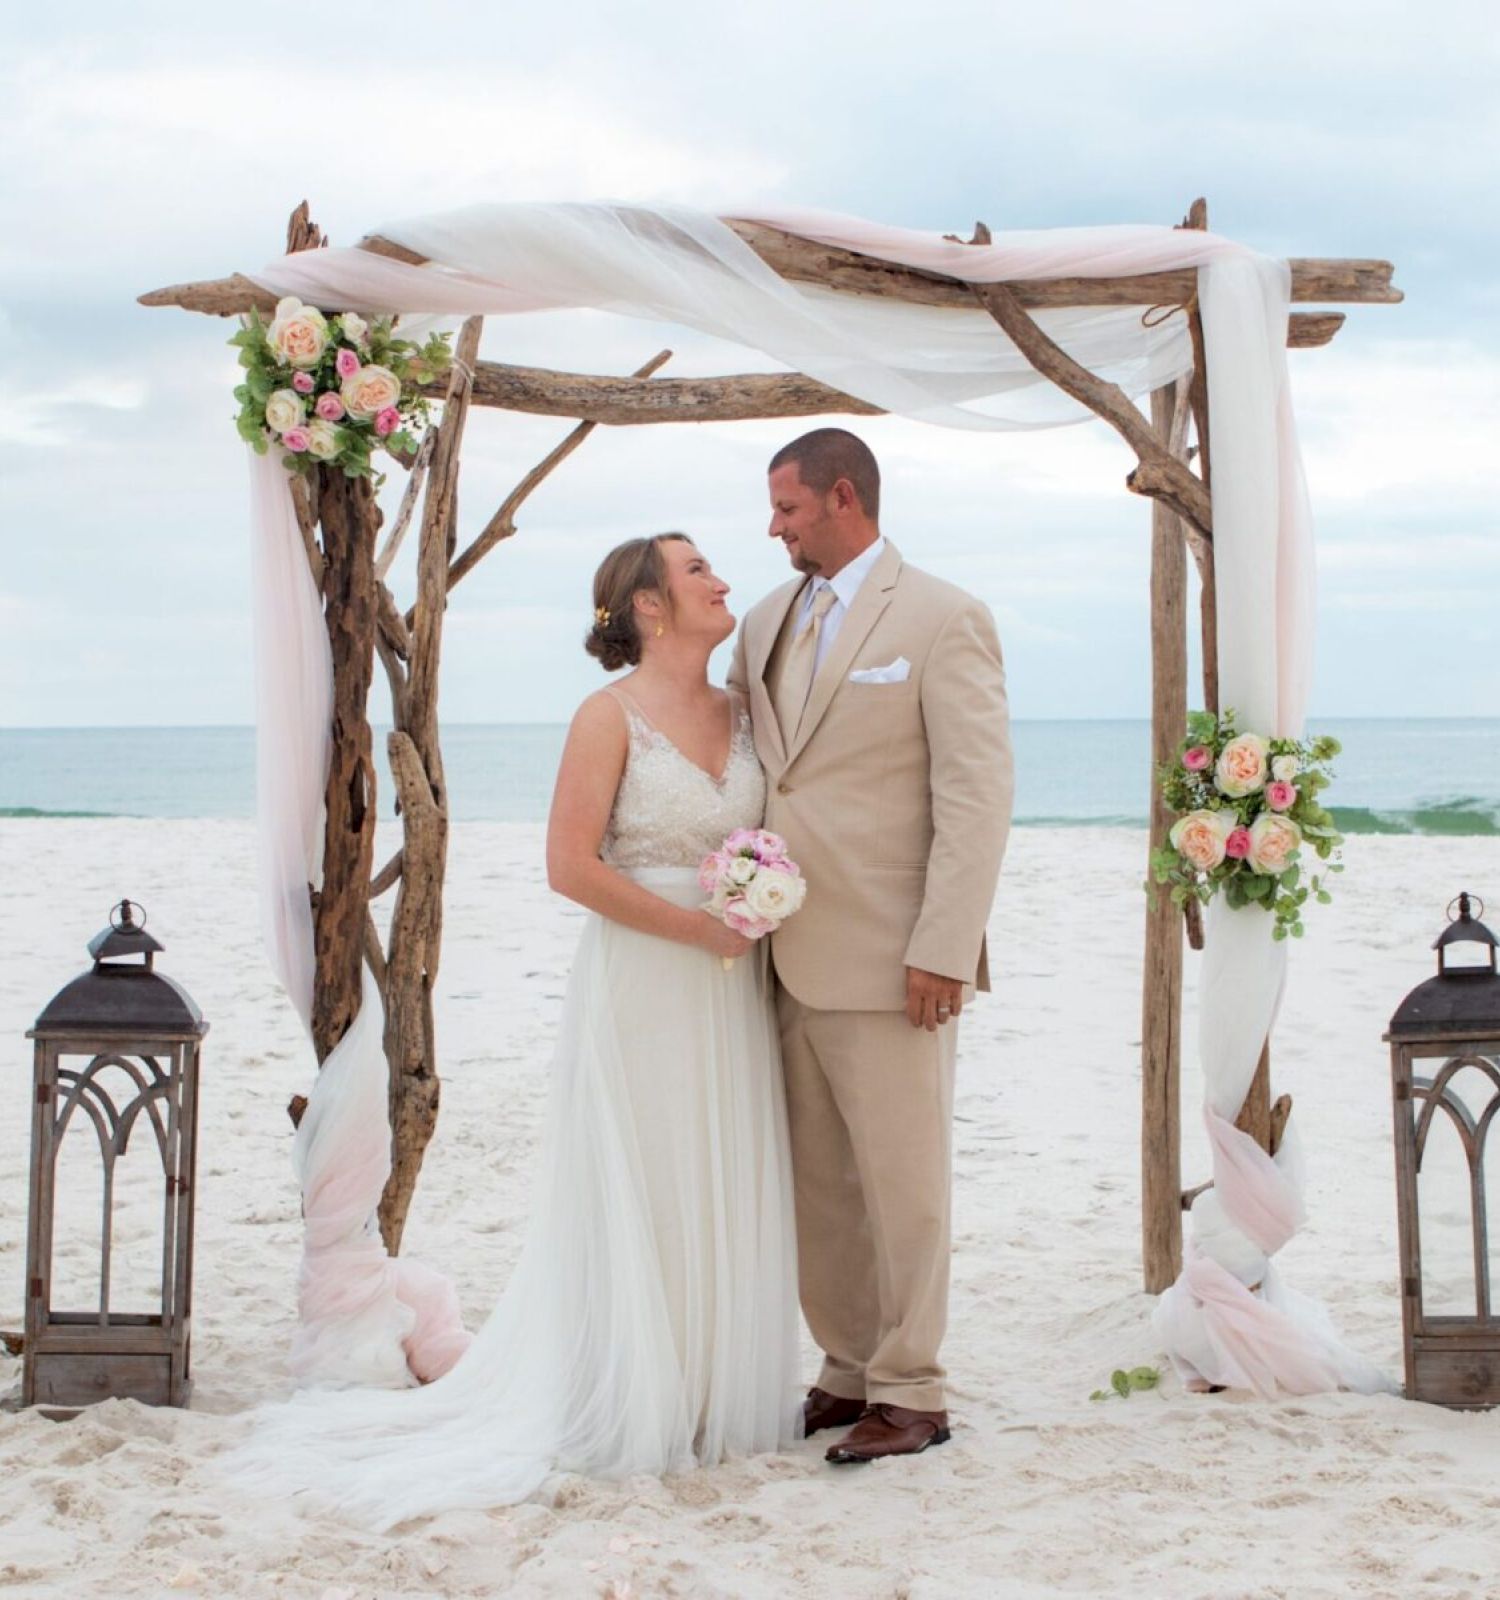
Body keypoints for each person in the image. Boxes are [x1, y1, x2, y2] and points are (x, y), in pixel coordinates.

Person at [227, 533, 800, 1528]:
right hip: (645, 976)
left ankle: (708, 1388)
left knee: (722, 1169)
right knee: (644, 1176)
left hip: (731, 982)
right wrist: (698, 925)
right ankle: (629, 1388)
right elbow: (571, 867)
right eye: (696, 567)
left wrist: (754, 902)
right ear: (650, 606)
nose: (720, 579)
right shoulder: (606, 716)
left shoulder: (748, 712)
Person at [728, 428, 1014, 1465]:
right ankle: (847, 1370)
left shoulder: (943, 618)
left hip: (899, 958)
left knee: (903, 1180)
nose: (773, 527)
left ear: (842, 497)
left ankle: (913, 1386)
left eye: (788, 509)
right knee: (822, 1184)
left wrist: (946, 942)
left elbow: (976, 797)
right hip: (782, 948)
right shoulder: (762, 621)